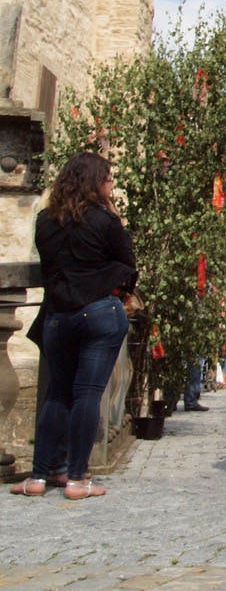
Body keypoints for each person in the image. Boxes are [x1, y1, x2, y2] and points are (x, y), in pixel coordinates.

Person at [12, 152, 134, 500]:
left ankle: (41, 475)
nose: (111, 186)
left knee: (57, 394)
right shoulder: (104, 220)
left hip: (58, 315)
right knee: (87, 395)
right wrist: (112, 212)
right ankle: (78, 479)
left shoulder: (45, 220)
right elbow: (127, 261)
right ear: (96, 184)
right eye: (108, 180)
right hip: (97, 312)